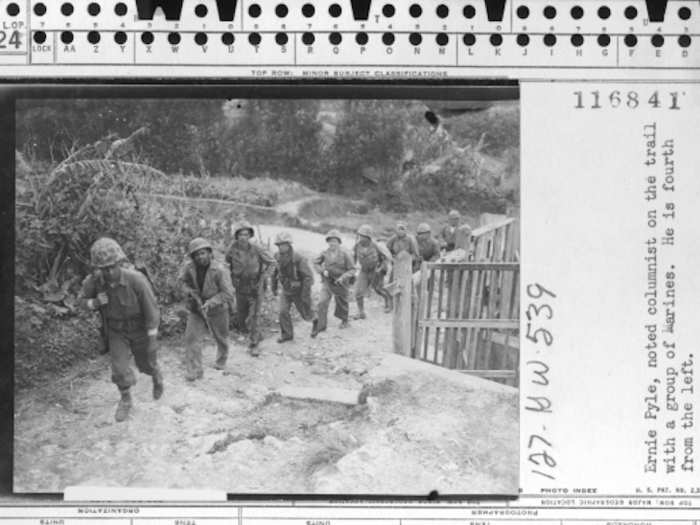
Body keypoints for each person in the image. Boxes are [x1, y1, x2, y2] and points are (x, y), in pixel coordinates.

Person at [79, 237, 162, 423]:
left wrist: (152, 340)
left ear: (120, 262)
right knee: (119, 369)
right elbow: (81, 301)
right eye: (104, 268)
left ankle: (156, 376)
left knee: (147, 363)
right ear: (98, 268)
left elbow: (152, 310)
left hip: (139, 329)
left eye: (112, 266)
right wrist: (95, 302)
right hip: (116, 331)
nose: (109, 271)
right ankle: (125, 399)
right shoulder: (94, 281)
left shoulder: (136, 279)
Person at [179, 237, 235, 380]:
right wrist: (189, 292)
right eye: (196, 254)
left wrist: (211, 302)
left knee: (221, 337)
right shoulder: (188, 267)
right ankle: (195, 371)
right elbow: (182, 281)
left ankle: (221, 360)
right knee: (191, 339)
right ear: (192, 257)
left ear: (210, 253)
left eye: (203, 253)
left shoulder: (220, 269)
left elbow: (228, 293)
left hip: (218, 308)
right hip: (196, 307)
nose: (200, 257)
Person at [226, 220, 275, 356]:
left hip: (255, 286)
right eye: (240, 234)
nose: (243, 237)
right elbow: (227, 262)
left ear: (250, 236)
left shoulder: (257, 248)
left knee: (254, 315)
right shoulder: (232, 248)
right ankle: (253, 333)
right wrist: (232, 278)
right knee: (242, 313)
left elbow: (272, 263)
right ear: (236, 236)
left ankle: (254, 344)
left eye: (246, 234)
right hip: (240, 286)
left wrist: (264, 277)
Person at [271, 232, 315, 343]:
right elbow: (275, 272)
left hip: (299, 291)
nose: (281, 247)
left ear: (289, 245)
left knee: (306, 314)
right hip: (286, 290)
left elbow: (308, 277)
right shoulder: (276, 256)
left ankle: (316, 320)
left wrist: (305, 294)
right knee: (282, 311)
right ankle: (287, 335)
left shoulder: (298, 258)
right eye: (279, 245)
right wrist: (274, 287)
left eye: (284, 244)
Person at [312, 230, 356, 336]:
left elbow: (352, 270)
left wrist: (343, 277)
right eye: (330, 241)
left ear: (339, 242)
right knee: (322, 302)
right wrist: (322, 271)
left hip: (341, 283)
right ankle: (321, 326)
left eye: (334, 241)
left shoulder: (345, 254)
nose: (332, 243)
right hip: (327, 282)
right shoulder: (324, 253)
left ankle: (344, 321)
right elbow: (315, 262)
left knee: (342, 302)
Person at [352, 224, 393, 318]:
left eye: (362, 236)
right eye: (359, 235)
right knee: (358, 292)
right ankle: (361, 312)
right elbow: (353, 257)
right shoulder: (357, 245)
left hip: (376, 271)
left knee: (378, 289)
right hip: (364, 271)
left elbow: (386, 258)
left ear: (368, 237)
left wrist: (381, 268)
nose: (360, 238)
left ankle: (388, 300)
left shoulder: (376, 245)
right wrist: (352, 269)